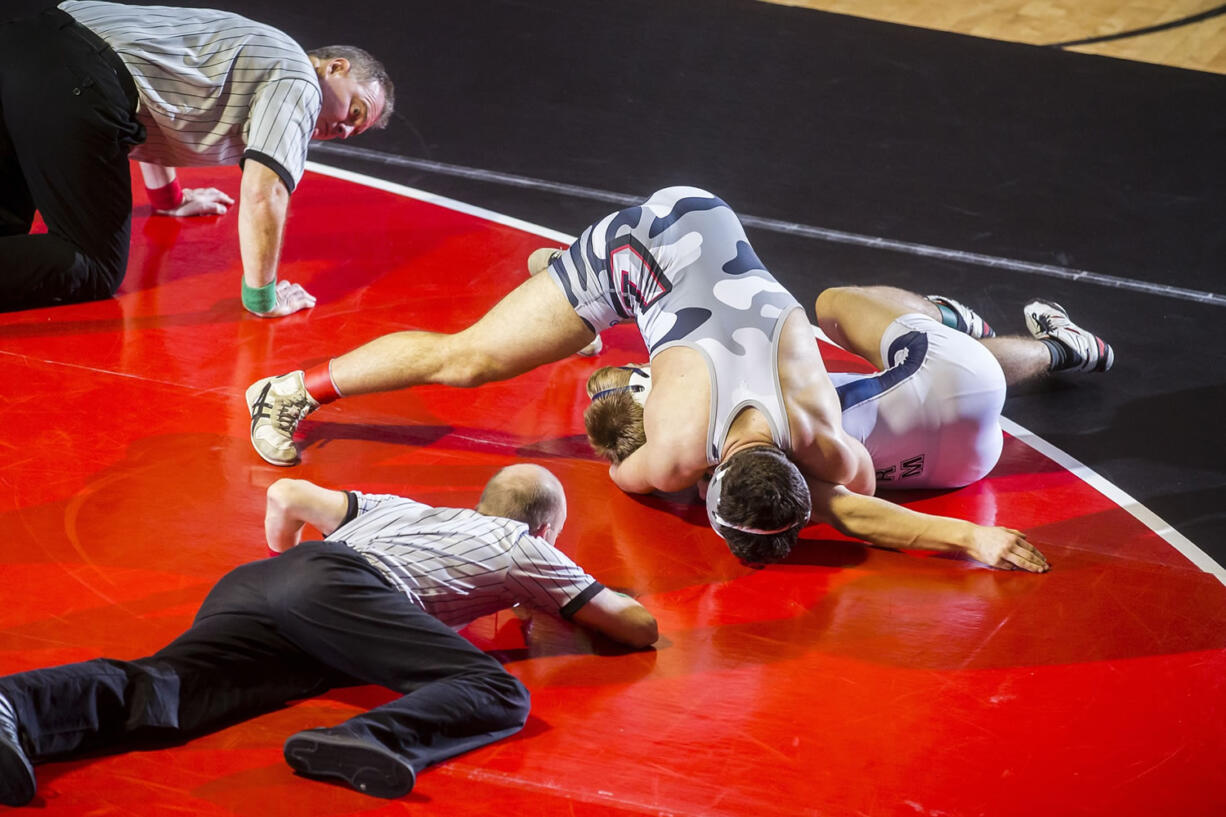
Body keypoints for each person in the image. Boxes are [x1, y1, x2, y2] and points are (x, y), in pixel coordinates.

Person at [247, 188, 867, 551]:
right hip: (639, 252)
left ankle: (561, 281)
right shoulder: (681, 451)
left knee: (642, 329)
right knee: (469, 359)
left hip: (707, 220)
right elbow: (626, 473)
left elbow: (852, 483)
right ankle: (288, 391)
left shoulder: (825, 439)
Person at [0, 464, 657, 805]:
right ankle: (361, 735)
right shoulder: (522, 544)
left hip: (259, 585)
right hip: (337, 586)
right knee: (495, 690)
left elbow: (286, 494)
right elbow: (636, 626)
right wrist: (545, 604)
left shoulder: (405, 508)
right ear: (546, 531)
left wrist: (288, 567)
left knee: (169, 691)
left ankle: (14, 709)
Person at [582, 286, 1113, 569]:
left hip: (957, 469)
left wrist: (971, 537)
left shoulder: (721, 488)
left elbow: (848, 511)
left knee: (948, 378)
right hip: (955, 380)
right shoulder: (729, 418)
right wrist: (972, 538)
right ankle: (951, 320)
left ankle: (1067, 348)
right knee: (832, 305)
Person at [0, 1, 394, 313]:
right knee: (92, 265)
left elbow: (149, 105)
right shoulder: (301, 82)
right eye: (354, 112)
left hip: (23, 43)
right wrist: (264, 298)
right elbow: (264, 191)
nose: (343, 130)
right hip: (76, 77)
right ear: (335, 68)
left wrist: (169, 199)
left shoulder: (261, 52)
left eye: (352, 132)